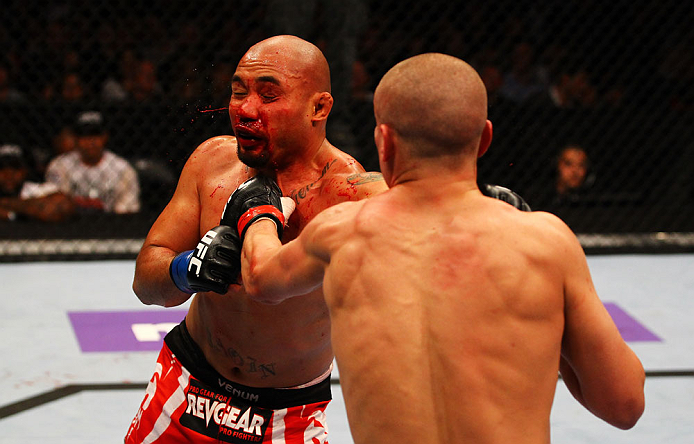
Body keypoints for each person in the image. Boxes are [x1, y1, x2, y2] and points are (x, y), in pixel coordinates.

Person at [237, 53, 645, 444]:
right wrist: (548, 315)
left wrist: (256, 209)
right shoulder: (544, 243)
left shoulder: (340, 234)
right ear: (484, 138)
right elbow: (623, 404)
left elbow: (260, 277)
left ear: (384, 141)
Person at [125, 35, 388, 443]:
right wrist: (186, 269)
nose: (245, 110)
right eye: (238, 91)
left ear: (318, 107)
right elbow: (145, 281)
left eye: (268, 95)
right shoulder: (213, 161)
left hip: (286, 417)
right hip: (183, 387)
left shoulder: (354, 197)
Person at [45, 110, 140, 213]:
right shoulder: (59, 166)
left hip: (113, 224)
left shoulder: (123, 169)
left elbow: (128, 209)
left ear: (105, 137)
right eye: (84, 135)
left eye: (95, 134)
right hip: (69, 224)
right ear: (76, 138)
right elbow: (55, 204)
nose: (90, 141)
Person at [0, 143, 74, 222]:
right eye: (2, 168)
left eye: (15, 167)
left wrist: (12, 213)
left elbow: (63, 206)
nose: (8, 175)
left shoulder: (38, 190)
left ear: (25, 171)